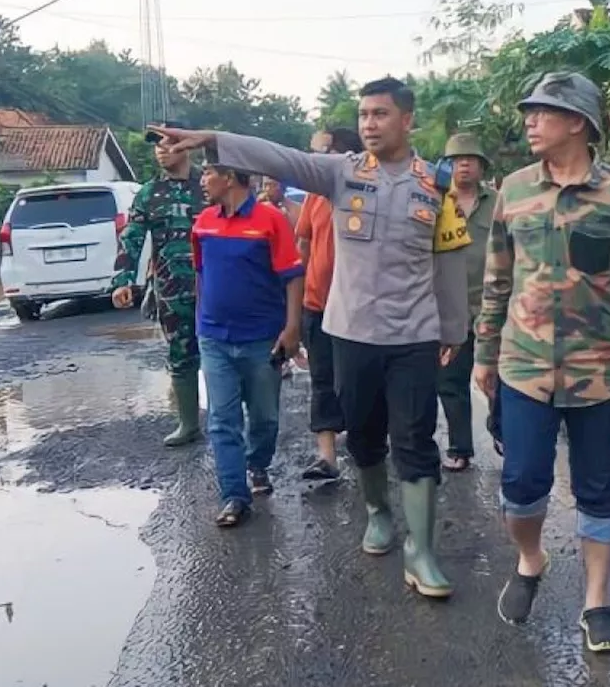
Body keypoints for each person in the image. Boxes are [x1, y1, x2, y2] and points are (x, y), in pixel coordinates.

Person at [154, 76, 470, 599]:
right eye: (364, 114)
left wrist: (453, 329)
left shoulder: (435, 184)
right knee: (365, 436)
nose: (369, 124)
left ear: (407, 120)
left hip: (413, 336)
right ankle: (378, 512)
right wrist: (211, 139)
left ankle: (422, 551)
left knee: (415, 440)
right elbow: (278, 158)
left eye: (381, 114)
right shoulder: (340, 174)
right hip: (351, 333)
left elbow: (450, 260)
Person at [473, 72, 610, 653]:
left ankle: (597, 601)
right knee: (521, 484)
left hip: (601, 370)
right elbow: (497, 281)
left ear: (578, 124)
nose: (529, 121)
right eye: (529, 112)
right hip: (525, 369)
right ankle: (531, 560)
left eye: (543, 112)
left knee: (597, 485)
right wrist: (485, 352)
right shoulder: (512, 190)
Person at [192, 162, 305, 526]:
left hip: (262, 340)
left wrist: (292, 329)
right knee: (221, 420)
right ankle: (234, 496)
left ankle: (257, 463)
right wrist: (199, 321)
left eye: (209, 173)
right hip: (215, 338)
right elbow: (201, 274)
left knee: (264, 417)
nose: (203, 180)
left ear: (229, 178)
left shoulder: (271, 220)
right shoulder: (204, 221)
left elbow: (292, 277)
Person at [112, 124, 207, 447]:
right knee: (180, 355)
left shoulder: (209, 185)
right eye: (157, 146)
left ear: (188, 147)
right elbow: (133, 237)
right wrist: (123, 280)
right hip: (171, 290)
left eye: (168, 144)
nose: (161, 150)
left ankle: (230, 421)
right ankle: (189, 423)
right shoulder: (149, 193)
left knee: (223, 354)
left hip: (216, 287)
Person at [294, 126, 363, 481]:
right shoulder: (313, 196)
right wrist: (300, 296)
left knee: (356, 381)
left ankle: (368, 446)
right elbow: (303, 243)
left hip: (359, 307)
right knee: (322, 379)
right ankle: (327, 456)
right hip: (318, 303)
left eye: (321, 151)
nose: (313, 159)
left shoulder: (367, 192)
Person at [436, 132, 496, 472]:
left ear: (481, 166)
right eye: (456, 161)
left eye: (470, 160)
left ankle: (500, 430)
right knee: (450, 381)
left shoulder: (499, 202)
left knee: (499, 379)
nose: (463, 166)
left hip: (494, 307)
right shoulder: (436, 203)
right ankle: (460, 447)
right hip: (451, 308)